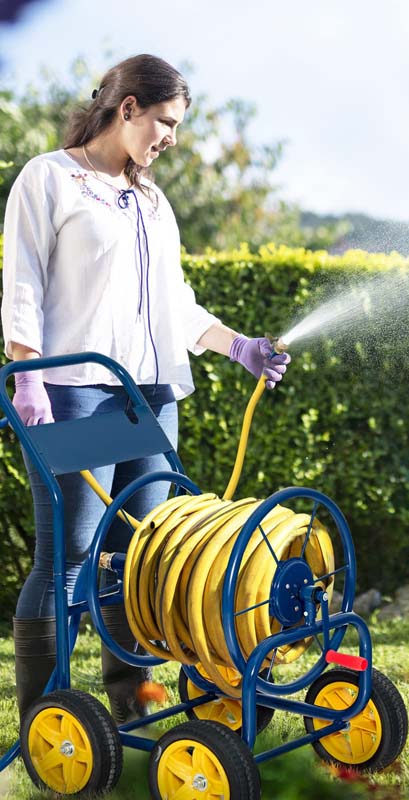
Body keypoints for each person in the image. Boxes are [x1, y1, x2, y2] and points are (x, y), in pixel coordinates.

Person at [0, 53, 290, 723]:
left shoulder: (154, 201)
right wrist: (27, 373)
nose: (172, 139)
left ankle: (131, 706)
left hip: (149, 397)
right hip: (77, 391)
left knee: (140, 553)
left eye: (178, 126)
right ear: (127, 107)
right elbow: (23, 283)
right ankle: (46, 717)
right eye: (166, 122)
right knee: (72, 551)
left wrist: (237, 345)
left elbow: (175, 301)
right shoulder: (51, 178)